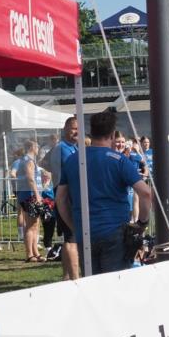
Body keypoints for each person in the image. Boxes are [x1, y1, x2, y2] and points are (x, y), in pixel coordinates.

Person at [56, 110, 152, 276]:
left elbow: (60, 199)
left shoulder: (73, 160)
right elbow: (146, 193)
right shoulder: (119, 161)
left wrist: (74, 226)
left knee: (92, 286)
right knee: (115, 285)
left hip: (85, 232)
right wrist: (142, 223)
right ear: (112, 135)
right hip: (114, 231)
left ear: (91, 132)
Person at [45, 116, 81, 279]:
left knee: (70, 237)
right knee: (72, 237)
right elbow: (73, 171)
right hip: (65, 196)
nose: (77, 131)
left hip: (69, 195)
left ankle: (67, 277)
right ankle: (75, 278)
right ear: (65, 129)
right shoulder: (62, 148)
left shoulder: (74, 147)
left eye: (79, 128)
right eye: (74, 128)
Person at [16, 139, 49, 262]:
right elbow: (30, 178)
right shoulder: (28, 161)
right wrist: (37, 194)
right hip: (29, 195)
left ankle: (35, 252)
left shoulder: (27, 160)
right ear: (32, 147)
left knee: (35, 224)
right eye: (37, 146)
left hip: (30, 194)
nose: (38, 149)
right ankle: (29, 254)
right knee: (31, 225)